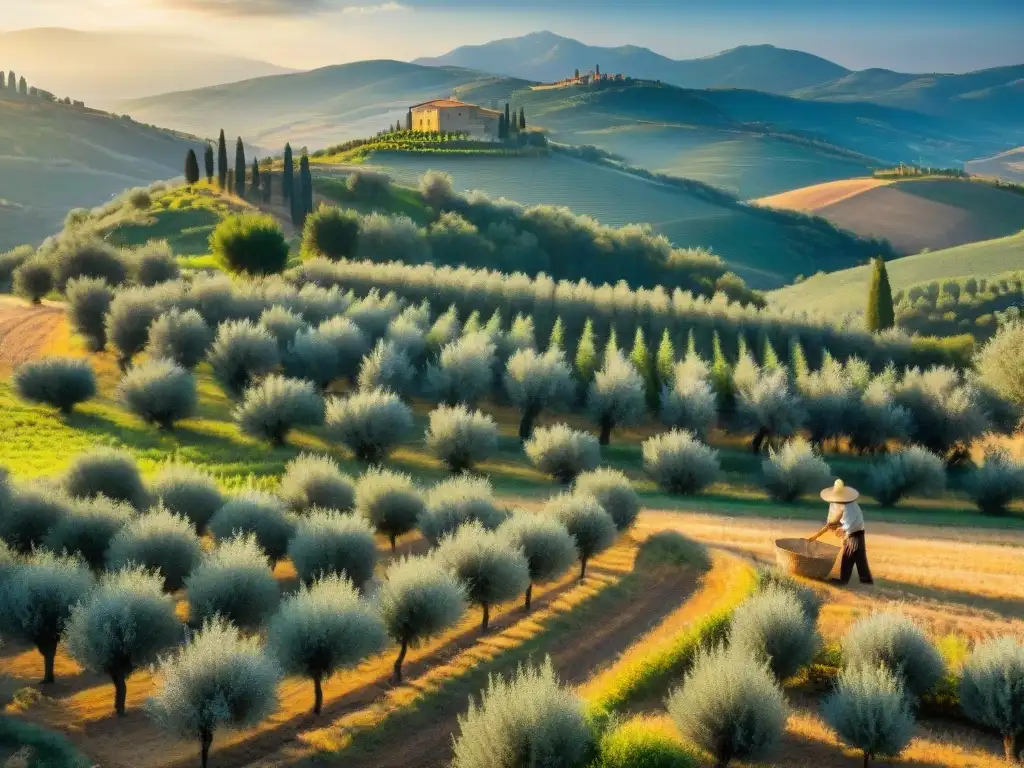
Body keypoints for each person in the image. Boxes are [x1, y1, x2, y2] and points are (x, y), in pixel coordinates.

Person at [821, 479, 873, 585]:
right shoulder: (834, 502)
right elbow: (833, 516)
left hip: (855, 532)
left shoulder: (849, 506)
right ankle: (865, 580)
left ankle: (844, 580)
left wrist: (847, 536)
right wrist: (830, 524)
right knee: (859, 557)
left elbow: (849, 524)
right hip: (851, 531)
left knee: (848, 555)